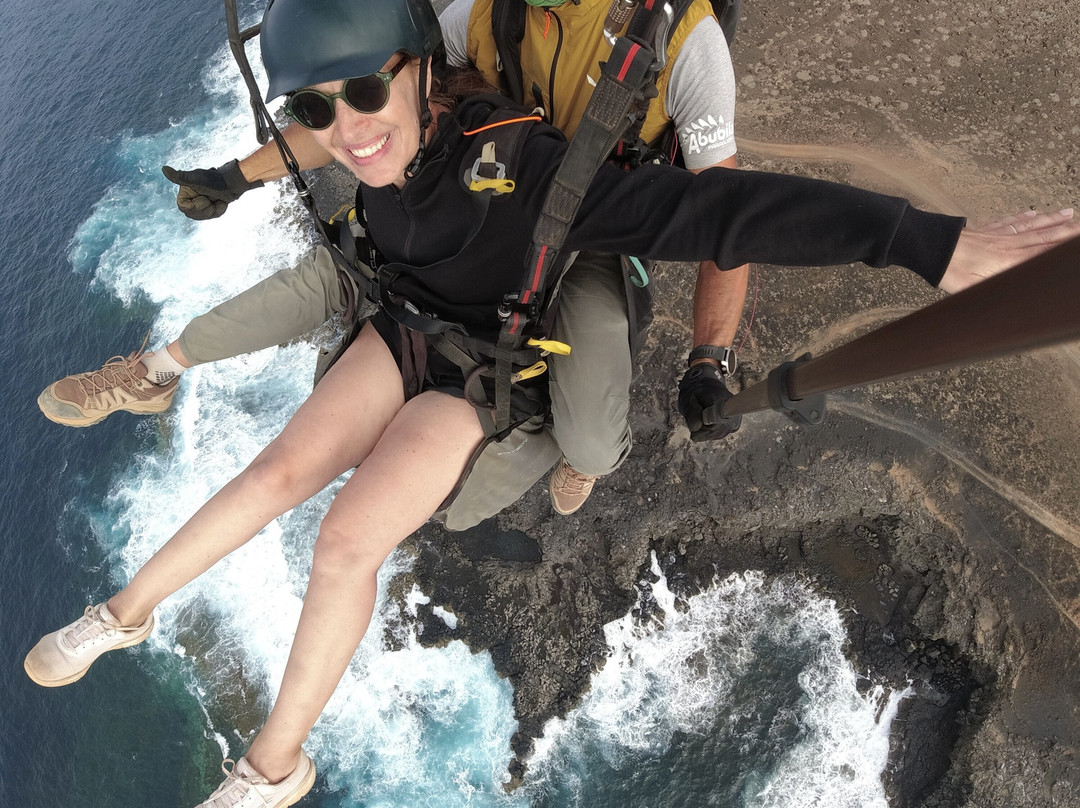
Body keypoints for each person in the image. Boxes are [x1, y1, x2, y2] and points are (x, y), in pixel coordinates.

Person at [24, 0, 1080, 806]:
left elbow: (731, 206)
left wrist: (916, 251)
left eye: (359, 99)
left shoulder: (650, 67)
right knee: (278, 470)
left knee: (374, 523)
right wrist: (240, 170)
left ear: (416, 80)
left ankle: (271, 767)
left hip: (537, 286)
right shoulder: (438, 46)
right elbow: (342, 114)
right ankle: (124, 612)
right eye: (318, 105)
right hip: (409, 311)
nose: (344, 126)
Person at [37, 0, 750, 519]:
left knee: (591, 440)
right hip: (479, 187)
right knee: (343, 272)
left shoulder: (685, 42)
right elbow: (368, 102)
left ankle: (580, 457)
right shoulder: (479, 14)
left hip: (591, 232)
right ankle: (152, 371)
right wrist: (238, 176)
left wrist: (708, 358)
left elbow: (730, 221)